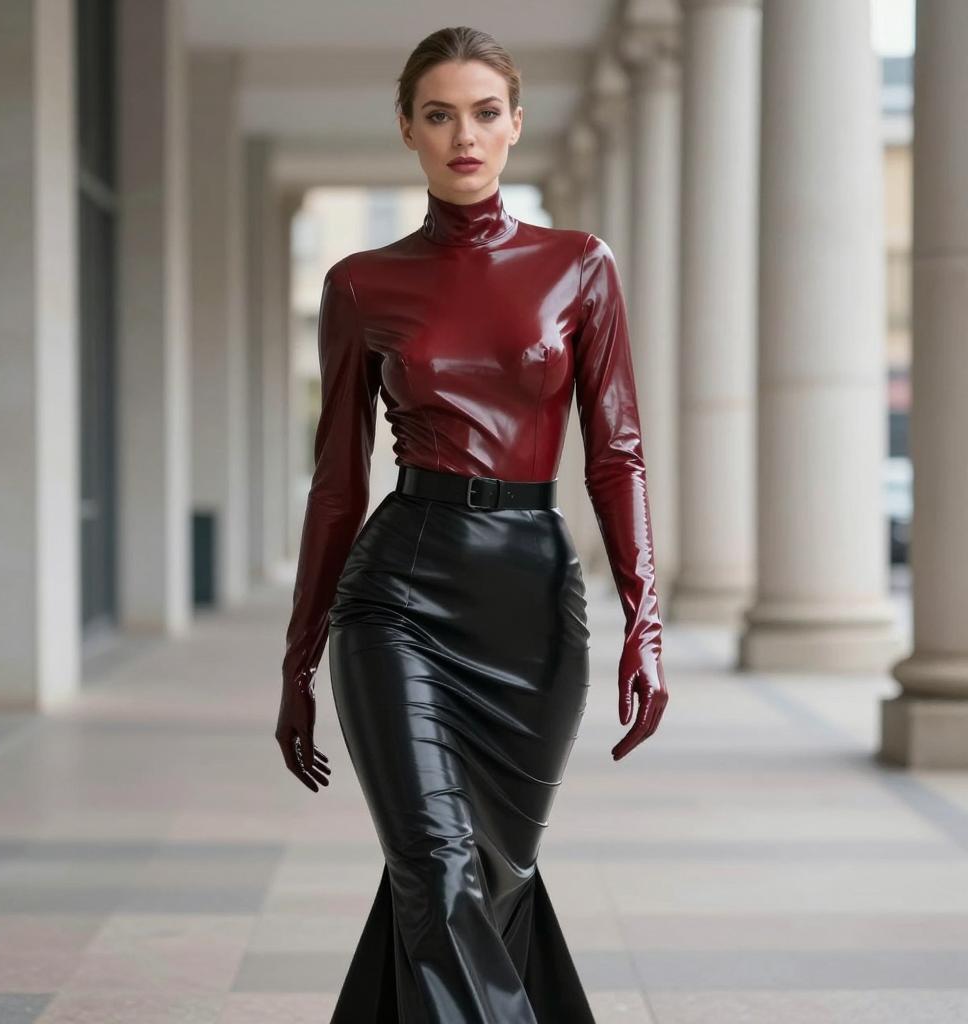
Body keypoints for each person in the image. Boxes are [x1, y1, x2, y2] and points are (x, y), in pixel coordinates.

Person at [275, 24, 668, 1024]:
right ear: (406, 128)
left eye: (485, 113)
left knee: (491, 874)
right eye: (440, 114)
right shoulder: (361, 284)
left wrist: (644, 622)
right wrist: (298, 657)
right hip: (397, 596)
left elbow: (614, 453)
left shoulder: (578, 266)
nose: (465, 135)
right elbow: (335, 480)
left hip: (531, 607)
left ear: (515, 124)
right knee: (439, 868)